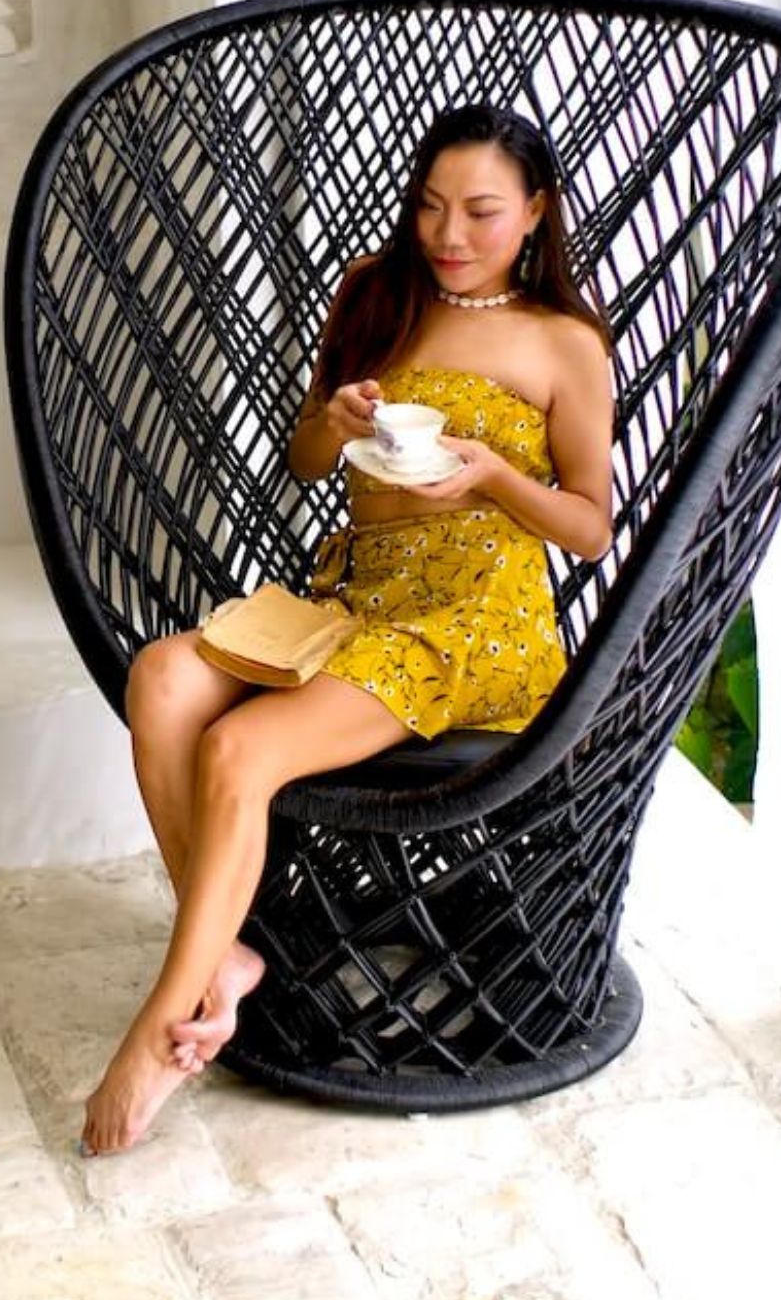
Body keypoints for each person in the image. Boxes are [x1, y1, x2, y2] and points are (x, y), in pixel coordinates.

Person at [81, 102, 614, 1156]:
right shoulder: (377, 293)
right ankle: (223, 958)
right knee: (162, 678)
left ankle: (159, 1030)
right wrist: (327, 422)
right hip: (362, 601)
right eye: (429, 206)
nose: (448, 235)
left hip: (476, 621)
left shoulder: (564, 342)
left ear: (536, 212)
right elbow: (308, 462)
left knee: (239, 749)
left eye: (480, 211)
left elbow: (591, 527)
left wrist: (496, 476)